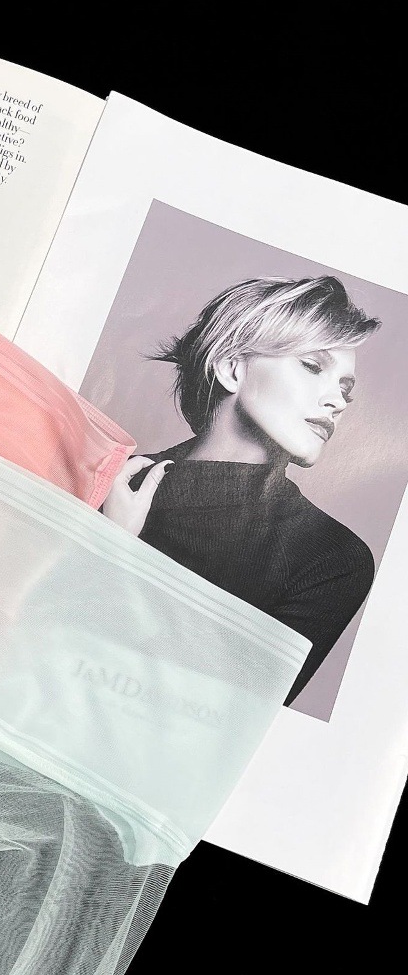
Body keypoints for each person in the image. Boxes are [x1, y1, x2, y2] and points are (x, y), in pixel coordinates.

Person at [102, 275, 380, 701]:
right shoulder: (105, 479)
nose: (338, 402)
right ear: (232, 368)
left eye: (346, 390)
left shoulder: (332, 557)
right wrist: (106, 534)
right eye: (312, 366)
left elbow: (229, 716)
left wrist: (111, 552)